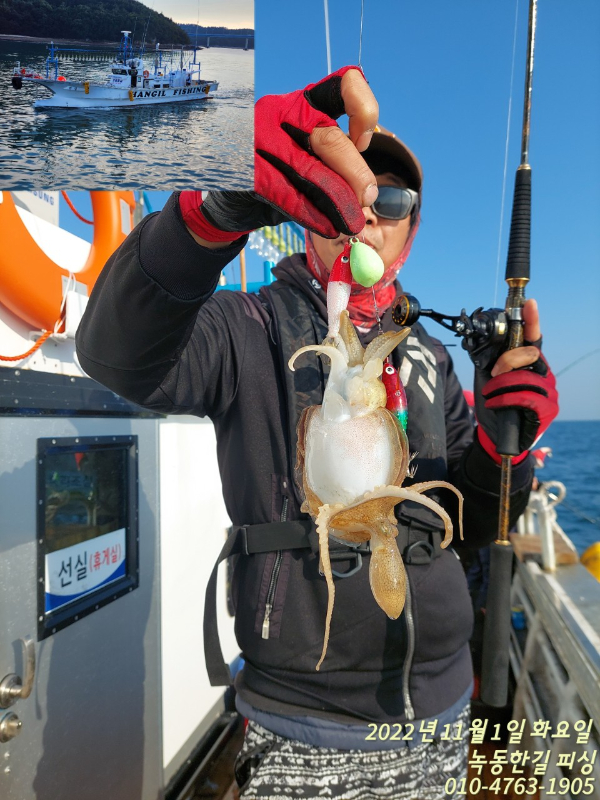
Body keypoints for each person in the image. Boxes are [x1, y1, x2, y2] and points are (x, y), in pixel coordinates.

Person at [75, 67, 559, 799]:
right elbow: (117, 355)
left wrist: (504, 449)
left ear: (411, 228)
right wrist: (205, 217)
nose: (367, 216)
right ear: (308, 206)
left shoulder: (430, 357)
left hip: (443, 709)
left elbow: (476, 521)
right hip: (300, 721)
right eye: (346, 191)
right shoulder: (247, 325)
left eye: (389, 201)